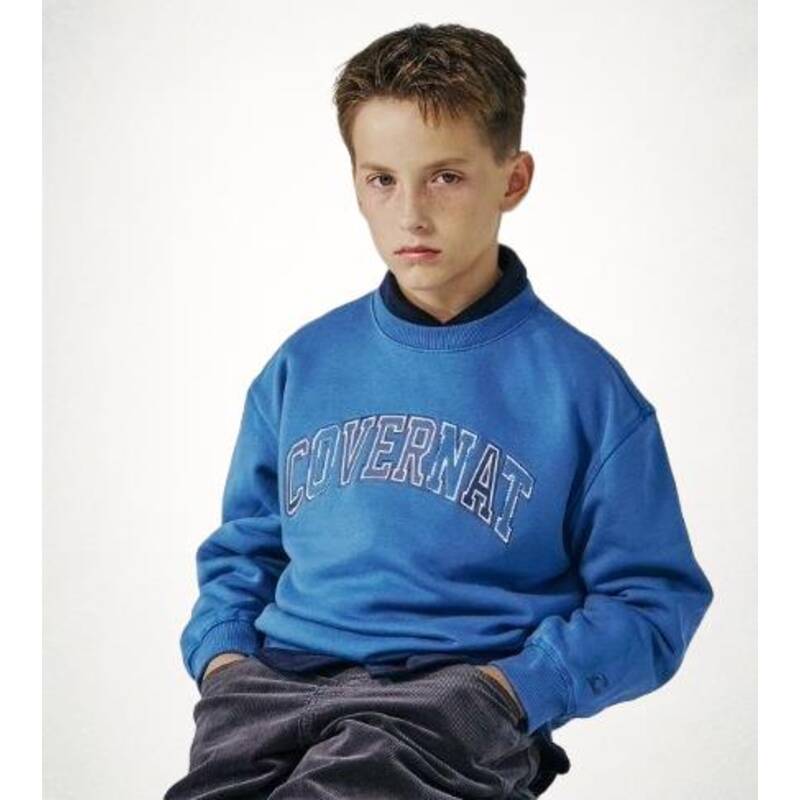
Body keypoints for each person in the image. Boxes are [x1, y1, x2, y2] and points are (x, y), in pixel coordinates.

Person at [164, 22, 714, 800]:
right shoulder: (302, 366)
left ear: (513, 180)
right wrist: (223, 659)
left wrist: (513, 690)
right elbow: (245, 548)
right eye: (381, 179)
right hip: (266, 694)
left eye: (446, 177)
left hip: (448, 710)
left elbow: (654, 602)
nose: (410, 214)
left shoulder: (585, 391)